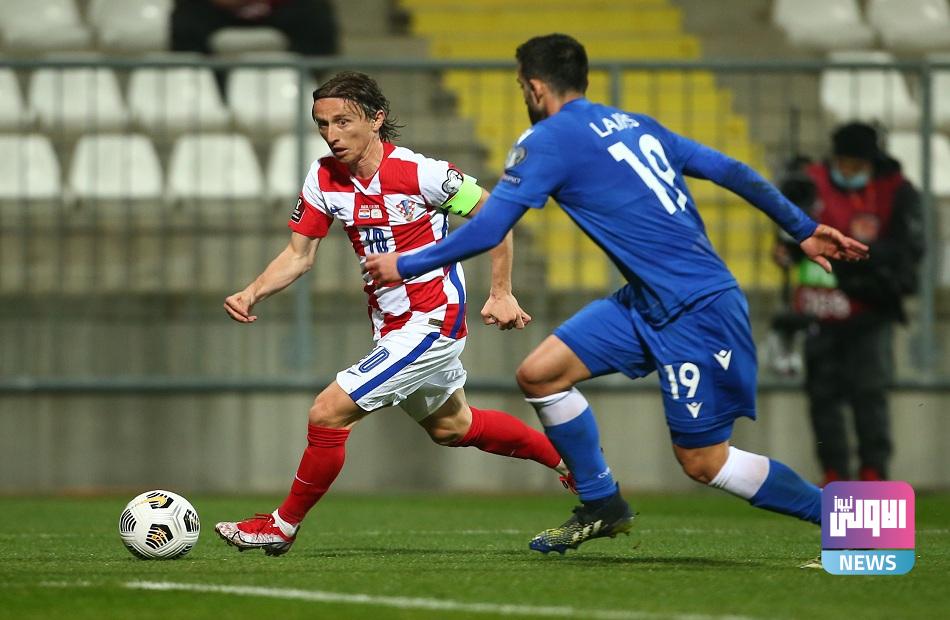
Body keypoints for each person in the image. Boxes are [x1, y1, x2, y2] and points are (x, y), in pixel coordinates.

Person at [366, 34, 870, 556]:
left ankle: (856, 526)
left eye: (521, 86)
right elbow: (730, 170)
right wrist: (802, 227)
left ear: (535, 87)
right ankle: (602, 503)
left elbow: (491, 227)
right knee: (540, 374)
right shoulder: (635, 124)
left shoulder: (548, 140)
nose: (523, 95)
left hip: (696, 308)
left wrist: (405, 263)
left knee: (704, 462)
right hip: (647, 300)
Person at [214, 71, 571, 556]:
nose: (332, 134)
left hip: (432, 322)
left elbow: (496, 217)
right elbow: (298, 255)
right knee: (453, 427)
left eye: (343, 121)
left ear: (376, 119)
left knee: (328, 412)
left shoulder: (422, 174)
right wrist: (252, 292)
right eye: (323, 124)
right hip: (391, 328)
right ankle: (572, 463)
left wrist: (501, 291)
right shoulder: (323, 177)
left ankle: (282, 525)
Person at [773, 122, 923, 486]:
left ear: (871, 163)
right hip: (818, 314)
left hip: (868, 312)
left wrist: (856, 259)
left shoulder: (894, 191)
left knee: (869, 394)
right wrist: (784, 251)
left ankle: (873, 473)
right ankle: (834, 473)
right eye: (844, 163)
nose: (849, 171)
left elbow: (907, 250)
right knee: (822, 399)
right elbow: (789, 238)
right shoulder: (809, 184)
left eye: (857, 165)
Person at [171, 0, 339, 58]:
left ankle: (304, 83)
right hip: (217, 13)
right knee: (187, 18)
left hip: (280, 11)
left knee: (315, 14)